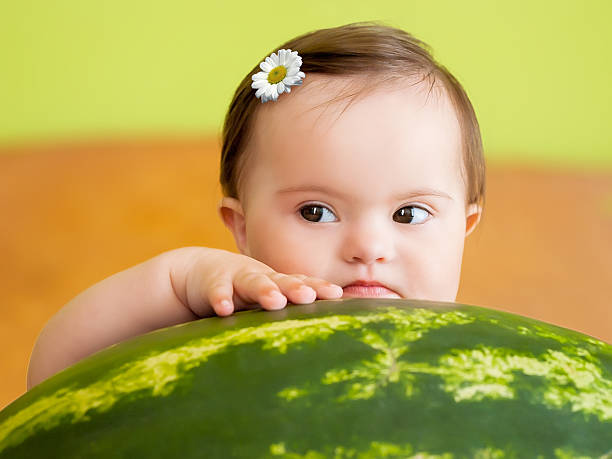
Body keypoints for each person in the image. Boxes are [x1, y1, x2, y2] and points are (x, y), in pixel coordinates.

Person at [26, 21, 485, 389]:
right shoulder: (219, 340)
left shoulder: (482, 371)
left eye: (409, 214)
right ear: (242, 227)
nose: (368, 247)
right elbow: (56, 373)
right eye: (316, 212)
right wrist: (178, 280)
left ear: (464, 228)